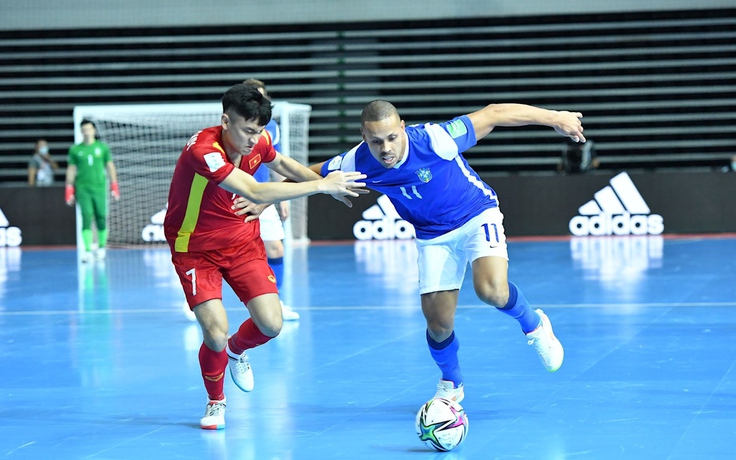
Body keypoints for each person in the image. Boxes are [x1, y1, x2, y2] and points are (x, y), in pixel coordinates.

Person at [310, 100, 586, 403]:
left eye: (392, 137)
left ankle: (534, 325)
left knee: (492, 290)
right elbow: (307, 172)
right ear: (364, 137)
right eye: (376, 141)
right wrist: (273, 198)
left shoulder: (435, 139)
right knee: (439, 326)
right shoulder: (356, 162)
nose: (386, 148)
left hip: (476, 215)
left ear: (402, 128)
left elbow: (494, 113)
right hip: (432, 236)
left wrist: (555, 117)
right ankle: (452, 382)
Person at [163, 83, 365, 430]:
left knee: (272, 324)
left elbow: (285, 163)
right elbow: (254, 189)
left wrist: (330, 181)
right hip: (195, 250)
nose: (253, 140)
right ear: (225, 121)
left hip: (242, 241)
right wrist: (320, 187)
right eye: (246, 131)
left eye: (259, 132)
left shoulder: (258, 140)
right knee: (214, 331)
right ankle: (216, 402)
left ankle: (236, 350)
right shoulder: (204, 151)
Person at [243, 78, 299, 321]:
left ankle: (276, 302)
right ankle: (194, 301)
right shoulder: (234, 128)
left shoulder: (272, 126)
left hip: (263, 195)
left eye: (263, 97)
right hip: (235, 196)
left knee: (275, 247)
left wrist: (282, 198)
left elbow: (275, 161)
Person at [65, 120, 120, 263]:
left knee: (101, 216)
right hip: (83, 188)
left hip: (99, 187)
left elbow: (110, 166)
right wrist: (69, 188)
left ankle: (101, 248)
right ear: (81, 131)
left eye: (89, 129)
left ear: (94, 130)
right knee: (86, 216)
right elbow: (71, 169)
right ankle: (87, 250)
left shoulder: (102, 148)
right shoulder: (75, 150)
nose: (87, 132)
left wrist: (114, 184)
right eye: (84, 129)